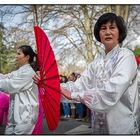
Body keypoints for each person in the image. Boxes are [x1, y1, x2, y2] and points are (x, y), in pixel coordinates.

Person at [60, 13, 140, 134]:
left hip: (122, 127)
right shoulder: (96, 63)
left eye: (112, 28)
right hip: (99, 128)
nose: (107, 32)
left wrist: (75, 95)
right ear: (99, 34)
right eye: (103, 28)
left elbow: (111, 92)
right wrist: (52, 86)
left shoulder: (126, 56)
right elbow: (79, 85)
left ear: (119, 32)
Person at [0, 45, 40, 134]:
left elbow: (10, 85)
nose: (16, 56)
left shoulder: (29, 73)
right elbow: (5, 77)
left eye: (19, 54)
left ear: (27, 57)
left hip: (26, 115)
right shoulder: (19, 71)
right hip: (14, 114)